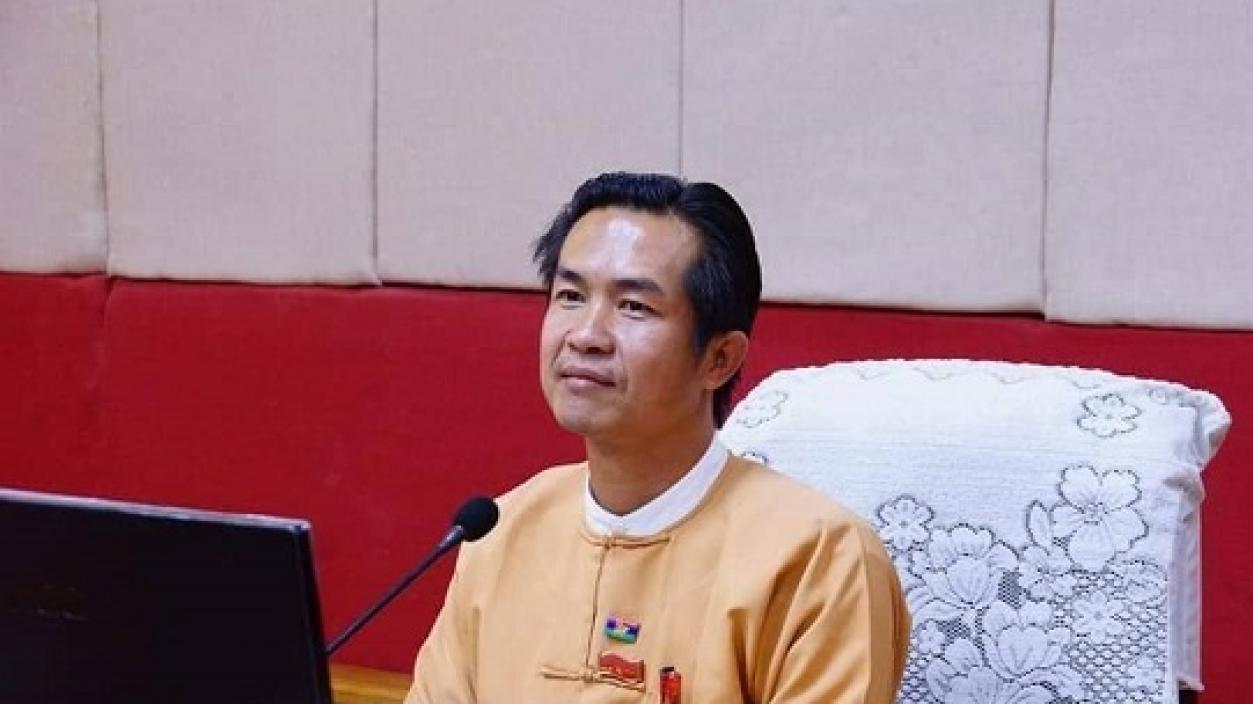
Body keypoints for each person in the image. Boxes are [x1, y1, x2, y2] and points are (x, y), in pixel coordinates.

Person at [405, 172, 909, 703]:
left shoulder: (819, 560)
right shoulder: (500, 532)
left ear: (719, 359)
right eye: (571, 295)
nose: (586, 335)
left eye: (634, 306)